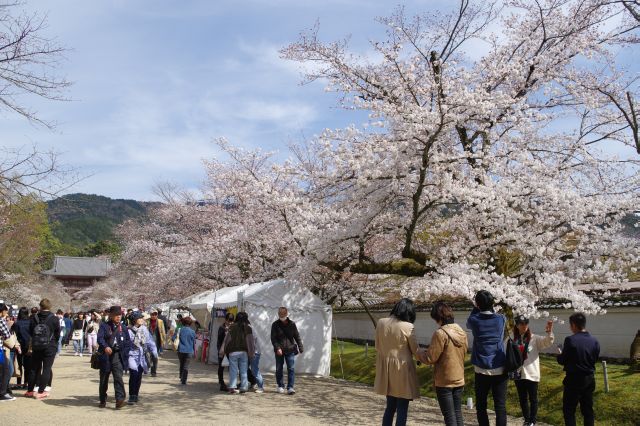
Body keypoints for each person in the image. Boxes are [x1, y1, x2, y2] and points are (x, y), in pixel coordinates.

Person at [418, 301, 468, 426]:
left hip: (444, 380)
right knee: (457, 413)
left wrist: (418, 353)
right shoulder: (461, 331)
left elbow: (431, 358)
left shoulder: (440, 333)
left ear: (439, 318)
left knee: (449, 416)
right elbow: (465, 351)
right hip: (459, 377)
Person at [374, 298, 420, 426]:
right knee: (402, 408)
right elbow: (415, 350)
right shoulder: (408, 326)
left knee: (390, 407)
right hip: (402, 369)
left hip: (386, 369)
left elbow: (377, 346)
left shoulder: (381, 323)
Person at [466, 290, 507, 426]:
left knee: (481, 405)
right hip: (499, 366)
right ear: (492, 303)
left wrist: (475, 308)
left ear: (477, 304)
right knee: (500, 406)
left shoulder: (474, 320)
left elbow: (468, 324)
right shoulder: (501, 319)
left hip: (481, 368)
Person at [557, 313, 600, 426]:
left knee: (569, 410)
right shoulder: (594, 341)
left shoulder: (570, 340)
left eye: (570, 325)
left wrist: (560, 354)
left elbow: (562, 360)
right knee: (588, 411)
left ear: (574, 325)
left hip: (573, 380)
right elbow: (595, 358)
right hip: (589, 379)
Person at [512, 315, 554, 426]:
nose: (524, 325)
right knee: (522, 398)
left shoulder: (534, 338)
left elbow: (547, 342)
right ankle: (526, 419)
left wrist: (549, 332)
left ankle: (532, 420)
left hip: (532, 373)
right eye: (521, 323)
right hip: (518, 373)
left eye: (526, 323)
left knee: (533, 398)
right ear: (517, 325)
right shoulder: (513, 339)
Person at [97, 305, 132, 409]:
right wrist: (105, 346)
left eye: (120, 315)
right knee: (104, 379)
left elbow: (128, 342)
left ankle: (119, 399)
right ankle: (103, 399)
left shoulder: (124, 327)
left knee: (118, 377)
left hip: (117, 355)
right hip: (106, 355)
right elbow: (100, 338)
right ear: (111, 316)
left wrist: (124, 352)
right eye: (116, 315)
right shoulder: (104, 326)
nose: (118, 317)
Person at [26, 298, 60, 399]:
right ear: (50, 306)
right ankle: (41, 391)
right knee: (46, 368)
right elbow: (58, 333)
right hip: (50, 346)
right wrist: (55, 341)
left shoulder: (34, 317)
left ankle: (30, 390)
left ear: (40, 306)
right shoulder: (54, 318)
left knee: (34, 368)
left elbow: (31, 331)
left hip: (36, 346)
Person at [270, 306, 303, 395]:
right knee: (279, 368)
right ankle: (280, 385)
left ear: (287, 314)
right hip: (279, 351)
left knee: (291, 368)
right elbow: (273, 338)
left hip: (290, 349)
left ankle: (290, 387)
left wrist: (300, 347)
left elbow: (297, 336)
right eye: (280, 314)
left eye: (283, 314)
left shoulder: (292, 324)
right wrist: (277, 348)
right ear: (278, 314)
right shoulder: (275, 324)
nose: (282, 316)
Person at [220, 311, 255, 394]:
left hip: (233, 352)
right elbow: (250, 341)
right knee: (243, 370)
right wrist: (251, 353)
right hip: (244, 352)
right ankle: (244, 387)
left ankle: (232, 387)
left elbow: (227, 340)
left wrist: (224, 350)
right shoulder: (248, 328)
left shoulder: (232, 327)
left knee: (233, 370)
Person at [126, 311, 157, 404]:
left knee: (139, 375)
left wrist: (154, 351)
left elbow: (149, 341)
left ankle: (136, 394)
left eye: (141, 318)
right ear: (134, 320)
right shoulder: (128, 330)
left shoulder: (144, 329)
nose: (142, 319)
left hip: (141, 356)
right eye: (139, 318)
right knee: (133, 374)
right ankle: (131, 395)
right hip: (131, 355)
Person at [12, 307, 32, 390]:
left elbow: (13, 334)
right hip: (29, 346)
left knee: (19, 365)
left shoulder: (17, 323)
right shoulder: (31, 322)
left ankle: (19, 383)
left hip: (19, 346)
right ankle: (26, 382)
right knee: (27, 365)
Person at [0, 303, 15, 401]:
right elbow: (7, 335)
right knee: (6, 370)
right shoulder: (1, 321)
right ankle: (2, 393)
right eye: (6, 311)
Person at [174, 316, 196, 385]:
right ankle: (184, 380)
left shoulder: (179, 330)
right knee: (186, 366)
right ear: (190, 323)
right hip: (189, 350)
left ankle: (181, 376)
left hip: (180, 350)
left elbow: (173, 338)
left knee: (182, 364)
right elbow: (194, 341)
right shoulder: (193, 332)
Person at [217, 312, 234, 391]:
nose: (230, 322)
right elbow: (219, 340)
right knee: (221, 367)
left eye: (231, 321)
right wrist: (225, 332)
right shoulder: (221, 328)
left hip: (231, 351)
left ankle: (231, 383)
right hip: (223, 350)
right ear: (225, 320)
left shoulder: (234, 327)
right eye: (229, 321)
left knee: (232, 367)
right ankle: (221, 382)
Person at [147, 309, 166, 377]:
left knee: (155, 356)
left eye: (155, 314)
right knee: (149, 356)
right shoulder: (147, 321)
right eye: (152, 314)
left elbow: (163, 331)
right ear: (150, 315)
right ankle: (149, 367)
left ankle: (153, 371)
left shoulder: (160, 321)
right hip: (148, 341)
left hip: (157, 341)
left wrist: (163, 340)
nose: (154, 316)